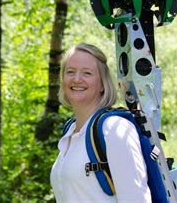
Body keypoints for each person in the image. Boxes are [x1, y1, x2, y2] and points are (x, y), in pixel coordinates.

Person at [50, 43, 152, 203]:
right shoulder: (70, 130)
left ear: (103, 83)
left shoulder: (114, 130)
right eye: (70, 72)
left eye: (87, 73)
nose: (77, 79)